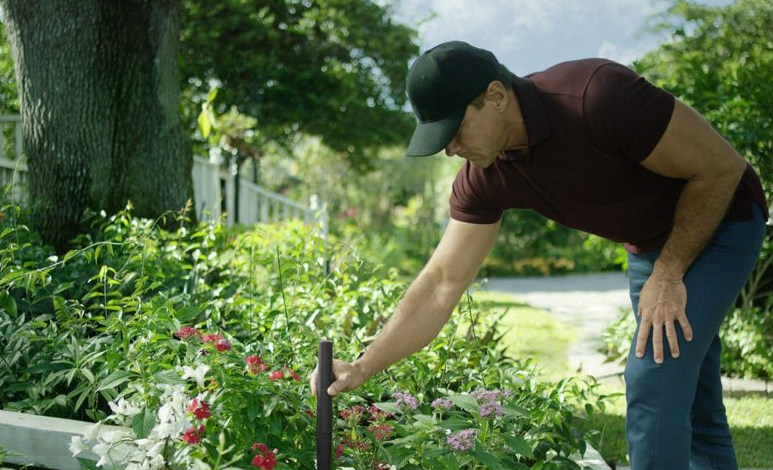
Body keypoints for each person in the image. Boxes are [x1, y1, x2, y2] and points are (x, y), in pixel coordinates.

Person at [309, 41, 768, 470]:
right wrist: (364, 366)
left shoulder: (595, 96)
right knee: (693, 401)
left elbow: (720, 167)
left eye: (454, 130)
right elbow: (442, 281)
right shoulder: (483, 178)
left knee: (654, 377)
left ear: (495, 96)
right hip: (651, 246)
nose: (450, 149)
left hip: (723, 217)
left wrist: (667, 276)